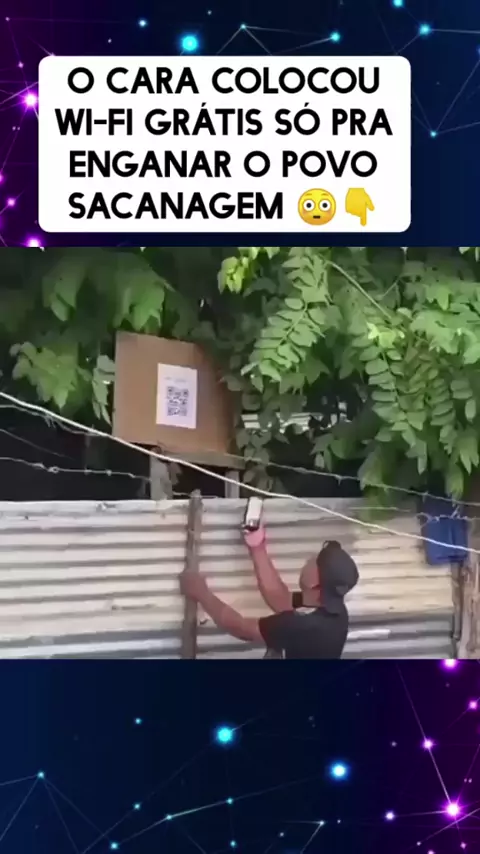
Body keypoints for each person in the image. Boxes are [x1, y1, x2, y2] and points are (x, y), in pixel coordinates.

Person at [179, 517, 359, 659]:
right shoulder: (333, 610)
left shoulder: (303, 625)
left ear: (315, 582)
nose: (308, 560)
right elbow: (281, 598)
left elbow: (241, 627)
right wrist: (257, 546)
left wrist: (201, 593)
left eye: (313, 562)